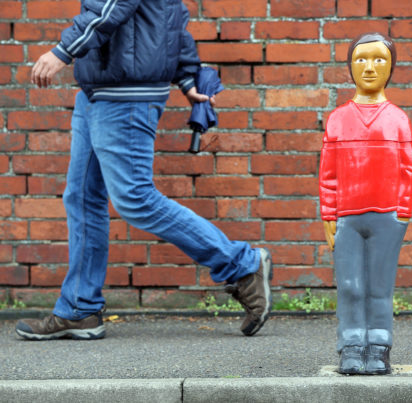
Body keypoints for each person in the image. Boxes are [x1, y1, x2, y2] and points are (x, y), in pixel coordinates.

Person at [15, 0, 272, 340]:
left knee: (135, 197)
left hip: (126, 96)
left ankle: (242, 265)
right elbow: (169, 20)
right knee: (82, 198)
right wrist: (185, 75)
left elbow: (110, 9)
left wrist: (63, 50)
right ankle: (79, 308)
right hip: (96, 93)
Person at [319, 33, 412, 375]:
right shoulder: (337, 119)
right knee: (349, 285)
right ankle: (350, 345)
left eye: (379, 59)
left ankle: (378, 345)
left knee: (379, 285)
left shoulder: (398, 120)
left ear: (391, 67)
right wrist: (329, 213)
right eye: (361, 59)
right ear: (350, 67)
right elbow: (328, 173)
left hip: (387, 216)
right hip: (347, 216)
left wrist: (402, 212)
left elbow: (407, 170)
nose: (370, 68)